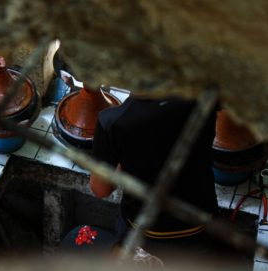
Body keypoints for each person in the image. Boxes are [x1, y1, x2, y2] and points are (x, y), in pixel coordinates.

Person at [89, 94, 219, 260]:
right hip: (200, 226)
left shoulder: (113, 121)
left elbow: (100, 189)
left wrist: (123, 164)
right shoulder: (201, 99)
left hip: (144, 235)